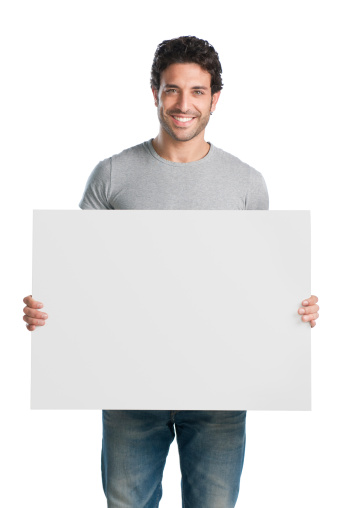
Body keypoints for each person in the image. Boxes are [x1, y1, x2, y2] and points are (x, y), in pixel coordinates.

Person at [23, 36, 319, 508]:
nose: (184, 104)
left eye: (197, 91)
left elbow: (259, 284)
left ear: (215, 98)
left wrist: (293, 310)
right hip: (128, 386)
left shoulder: (246, 184)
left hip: (220, 390)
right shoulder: (113, 174)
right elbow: (77, 273)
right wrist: (47, 308)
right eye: (172, 90)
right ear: (155, 93)